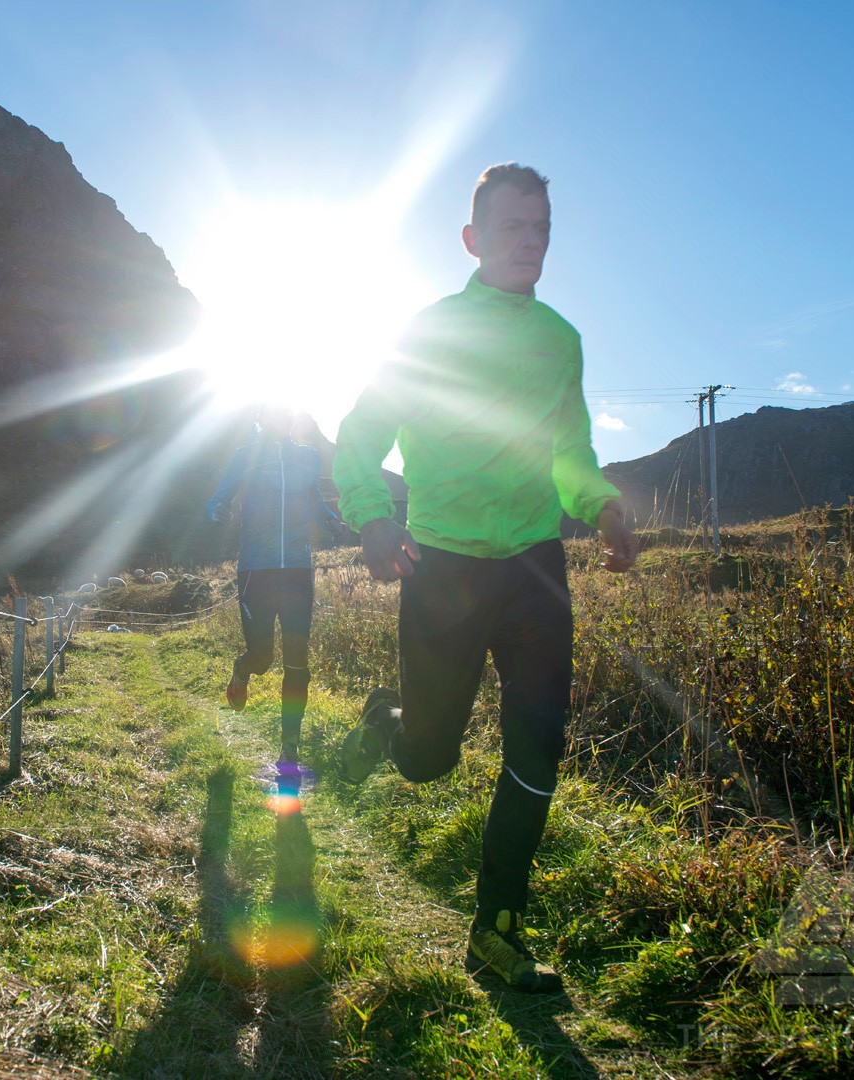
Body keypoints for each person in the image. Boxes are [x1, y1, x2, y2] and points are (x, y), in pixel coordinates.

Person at [331, 163, 640, 993]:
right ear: (472, 241)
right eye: (513, 228)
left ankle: (497, 929)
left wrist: (603, 506)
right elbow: (359, 437)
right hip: (445, 566)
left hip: (536, 566)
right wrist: (371, 517)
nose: (530, 242)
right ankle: (389, 720)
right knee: (428, 760)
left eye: (542, 228)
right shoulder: (427, 332)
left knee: (540, 740)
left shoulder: (560, 340)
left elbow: (569, 453)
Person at [206, 403, 343, 787]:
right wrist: (217, 510)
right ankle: (242, 670)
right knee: (263, 658)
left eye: (287, 412)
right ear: (261, 418)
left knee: (298, 662)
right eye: (273, 412)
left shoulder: (308, 457)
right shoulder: (244, 457)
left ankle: (289, 753)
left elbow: (312, 499)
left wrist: (332, 522)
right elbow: (218, 498)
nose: (281, 419)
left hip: (298, 569)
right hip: (257, 570)